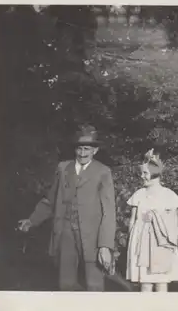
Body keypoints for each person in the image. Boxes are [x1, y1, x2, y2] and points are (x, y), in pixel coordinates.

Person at [17, 125, 116, 291]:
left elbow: (109, 212)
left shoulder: (103, 172)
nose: (82, 153)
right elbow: (50, 200)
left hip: (93, 237)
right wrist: (32, 220)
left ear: (95, 150)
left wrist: (105, 245)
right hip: (65, 232)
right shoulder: (63, 168)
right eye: (79, 148)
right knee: (66, 283)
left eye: (87, 149)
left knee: (94, 284)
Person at [126, 149, 178, 292]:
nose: (142, 176)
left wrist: (157, 219)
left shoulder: (168, 195)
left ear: (155, 173)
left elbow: (173, 223)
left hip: (160, 244)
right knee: (145, 282)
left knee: (161, 282)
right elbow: (132, 221)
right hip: (142, 244)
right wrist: (133, 242)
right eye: (142, 173)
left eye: (145, 173)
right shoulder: (139, 195)